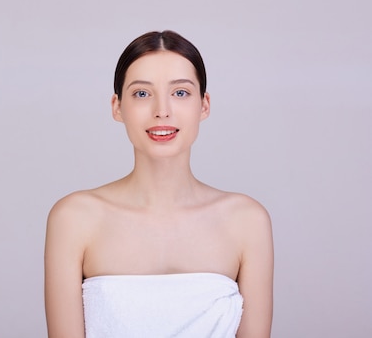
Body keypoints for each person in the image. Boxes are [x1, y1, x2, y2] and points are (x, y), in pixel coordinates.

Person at [44, 30, 274, 338]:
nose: (161, 110)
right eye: (142, 93)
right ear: (117, 106)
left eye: (180, 93)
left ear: (204, 105)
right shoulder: (74, 218)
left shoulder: (247, 221)